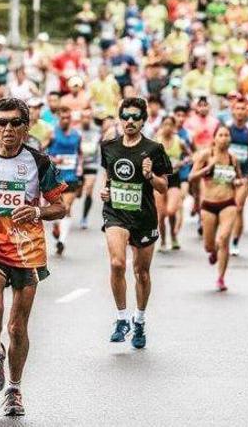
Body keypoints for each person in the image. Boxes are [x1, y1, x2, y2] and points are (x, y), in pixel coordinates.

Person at [0, 98, 67, 416]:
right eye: (2, 123)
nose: (8, 129)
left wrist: (37, 210)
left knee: (17, 327)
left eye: (16, 123)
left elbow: (60, 206)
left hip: (28, 251)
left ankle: (14, 389)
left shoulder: (40, 162)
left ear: (26, 127)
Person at [99, 97, 171, 347]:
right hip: (116, 213)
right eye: (125, 116)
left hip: (144, 216)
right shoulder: (108, 147)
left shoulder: (154, 149)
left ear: (143, 121)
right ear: (119, 119)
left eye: (135, 117)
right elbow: (108, 178)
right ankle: (121, 318)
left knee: (141, 272)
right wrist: (104, 192)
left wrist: (150, 176)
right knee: (118, 263)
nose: (130, 121)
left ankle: (139, 321)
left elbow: (163, 188)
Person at [189, 125, 242, 291]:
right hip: (209, 205)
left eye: (227, 135)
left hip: (228, 203)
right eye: (221, 135)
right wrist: (207, 169)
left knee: (223, 239)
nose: (224, 138)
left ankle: (221, 278)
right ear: (214, 138)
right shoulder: (206, 155)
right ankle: (213, 252)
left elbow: (240, 180)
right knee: (209, 246)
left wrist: (238, 184)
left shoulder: (233, 159)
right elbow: (191, 176)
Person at [222, 97, 248, 257]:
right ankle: (224, 236)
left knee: (238, 208)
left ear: (247, 111)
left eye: (243, 109)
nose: (240, 112)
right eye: (237, 109)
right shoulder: (226, 128)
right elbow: (217, 146)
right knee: (224, 206)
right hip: (226, 173)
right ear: (233, 111)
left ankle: (234, 242)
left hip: (244, 172)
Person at [47, 106, 83, 256]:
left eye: (68, 118)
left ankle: (61, 241)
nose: (66, 120)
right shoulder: (52, 134)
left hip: (71, 177)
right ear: (58, 118)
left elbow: (80, 153)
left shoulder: (77, 135)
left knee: (66, 208)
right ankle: (56, 224)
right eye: (63, 118)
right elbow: (42, 152)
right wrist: (54, 159)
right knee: (57, 209)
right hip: (54, 177)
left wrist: (80, 166)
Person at [155, 116, 191, 251]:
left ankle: (174, 236)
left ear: (174, 127)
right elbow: (146, 156)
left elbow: (189, 155)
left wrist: (181, 163)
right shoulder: (156, 142)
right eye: (165, 124)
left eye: (170, 124)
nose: (168, 127)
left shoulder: (179, 142)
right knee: (161, 215)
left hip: (173, 180)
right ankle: (164, 241)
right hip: (159, 180)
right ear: (161, 126)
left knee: (170, 211)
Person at [78, 111, 102, 230]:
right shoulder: (77, 132)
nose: (86, 120)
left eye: (88, 117)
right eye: (84, 117)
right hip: (78, 166)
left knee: (89, 190)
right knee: (78, 193)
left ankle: (84, 217)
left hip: (92, 165)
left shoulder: (97, 132)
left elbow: (96, 148)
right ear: (81, 119)